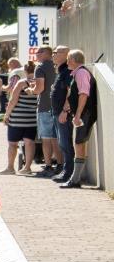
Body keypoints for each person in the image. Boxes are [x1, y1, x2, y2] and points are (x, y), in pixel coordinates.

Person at [59, 49, 98, 188]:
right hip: (83, 114)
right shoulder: (78, 73)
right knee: (79, 144)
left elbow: (83, 94)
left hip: (84, 114)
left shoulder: (81, 73)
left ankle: (75, 180)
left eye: (68, 59)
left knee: (79, 144)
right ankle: (75, 179)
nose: (67, 62)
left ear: (73, 60)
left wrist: (78, 115)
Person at [1, 64, 38, 175]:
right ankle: (27, 168)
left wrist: (6, 115)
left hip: (17, 118)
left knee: (13, 144)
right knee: (29, 143)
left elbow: (13, 100)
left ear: (25, 71)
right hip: (32, 119)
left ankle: (10, 167)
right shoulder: (39, 83)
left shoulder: (22, 83)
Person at [28, 47, 60, 176]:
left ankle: (48, 166)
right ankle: (60, 165)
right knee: (56, 138)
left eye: (39, 52)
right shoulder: (57, 66)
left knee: (46, 139)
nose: (36, 54)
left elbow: (40, 88)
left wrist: (31, 90)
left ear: (46, 53)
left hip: (45, 106)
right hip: (58, 106)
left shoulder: (40, 67)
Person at [49, 47, 74, 184]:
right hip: (57, 113)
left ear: (66, 55)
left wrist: (65, 111)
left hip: (63, 114)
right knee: (62, 143)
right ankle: (66, 170)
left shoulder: (68, 71)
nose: (53, 55)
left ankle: (69, 173)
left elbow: (70, 92)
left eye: (56, 52)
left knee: (66, 144)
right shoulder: (61, 70)